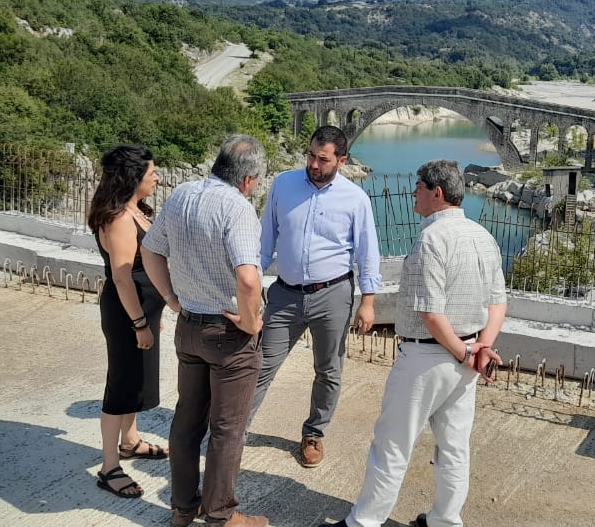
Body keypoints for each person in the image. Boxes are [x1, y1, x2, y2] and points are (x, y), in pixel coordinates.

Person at [321, 159, 507, 527]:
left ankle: (365, 522)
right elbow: (498, 303)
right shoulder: (483, 236)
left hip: (428, 355)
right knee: (454, 447)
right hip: (466, 357)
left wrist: (464, 351)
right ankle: (445, 520)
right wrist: (480, 347)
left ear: (437, 193)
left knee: (392, 443)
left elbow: (431, 314)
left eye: (418, 186)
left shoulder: (431, 238)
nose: (413, 193)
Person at [141, 135, 270, 527]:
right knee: (227, 431)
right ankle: (221, 516)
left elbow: (150, 249)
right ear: (248, 180)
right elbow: (248, 278)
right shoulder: (238, 208)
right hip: (228, 334)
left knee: (186, 421)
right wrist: (249, 322)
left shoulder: (181, 195)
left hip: (189, 326)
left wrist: (171, 297)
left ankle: (183, 509)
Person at [251, 125, 381, 468]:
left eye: (322, 159)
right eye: (310, 155)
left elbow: (367, 252)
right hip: (284, 296)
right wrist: (251, 284)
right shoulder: (284, 183)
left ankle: (314, 434)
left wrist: (368, 301)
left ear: (342, 160)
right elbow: (266, 239)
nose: (313, 164)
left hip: (333, 295)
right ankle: (234, 431)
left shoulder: (356, 199)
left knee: (329, 370)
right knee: (259, 365)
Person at [86, 144, 169, 499]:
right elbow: (123, 277)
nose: (157, 177)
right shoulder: (119, 218)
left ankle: (130, 441)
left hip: (141, 310)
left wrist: (152, 315)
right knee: (120, 386)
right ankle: (109, 467)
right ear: (133, 177)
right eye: (151, 173)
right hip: (125, 313)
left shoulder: (135, 210)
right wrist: (139, 323)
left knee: (137, 380)